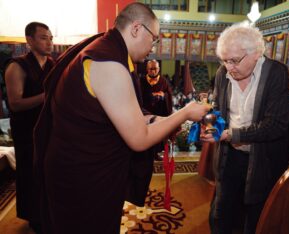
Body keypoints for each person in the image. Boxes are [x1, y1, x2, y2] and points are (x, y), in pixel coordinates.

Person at [33, 3, 210, 234]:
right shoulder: (108, 63)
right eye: (153, 38)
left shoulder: (110, 51)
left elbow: (128, 114)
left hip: (86, 168)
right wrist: (185, 113)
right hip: (83, 177)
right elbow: (139, 139)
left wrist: (156, 119)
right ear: (137, 28)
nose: (153, 47)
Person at [200, 22, 289, 234]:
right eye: (224, 60)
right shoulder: (224, 73)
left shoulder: (277, 73)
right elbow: (217, 108)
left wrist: (233, 134)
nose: (229, 68)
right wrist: (209, 124)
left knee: (256, 218)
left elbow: (276, 125)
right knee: (221, 213)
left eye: (234, 60)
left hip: (262, 160)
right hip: (229, 156)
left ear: (256, 53)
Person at [4, 22, 54, 233]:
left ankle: (49, 213)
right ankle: (34, 218)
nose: (49, 42)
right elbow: (15, 103)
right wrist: (48, 96)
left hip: (49, 129)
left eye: (51, 37)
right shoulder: (17, 66)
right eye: (44, 37)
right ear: (29, 40)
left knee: (49, 172)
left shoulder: (53, 65)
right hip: (26, 131)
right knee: (30, 174)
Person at [140, 60, 173, 160]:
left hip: (159, 112)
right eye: (151, 69)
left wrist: (163, 95)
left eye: (155, 69)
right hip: (146, 113)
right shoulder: (141, 80)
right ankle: (144, 154)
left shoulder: (163, 81)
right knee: (145, 134)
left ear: (159, 69)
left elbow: (169, 94)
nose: (153, 71)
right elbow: (138, 96)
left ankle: (156, 153)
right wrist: (151, 96)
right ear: (147, 69)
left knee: (157, 136)